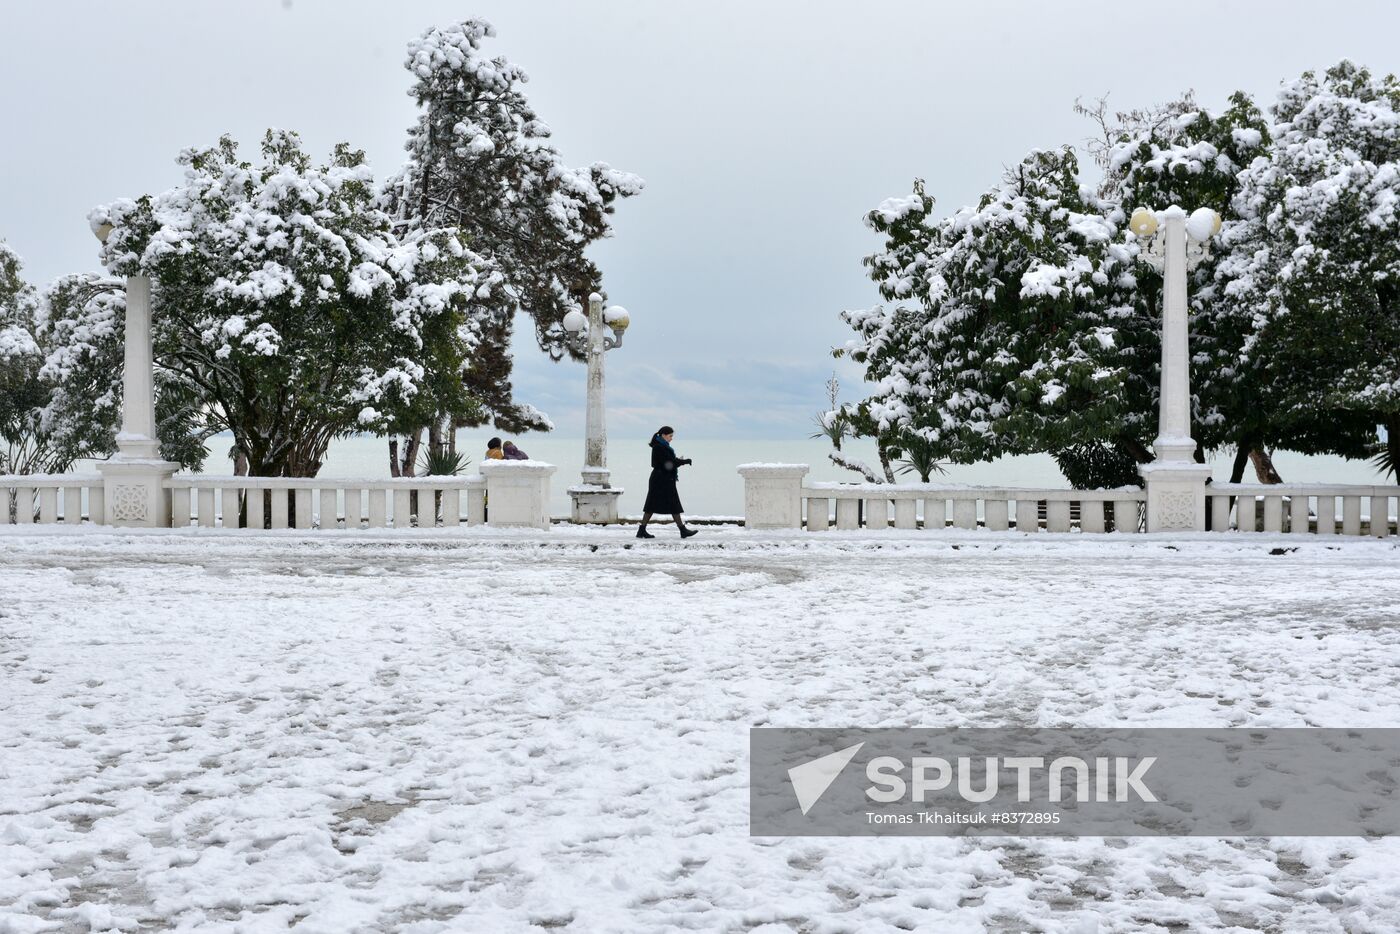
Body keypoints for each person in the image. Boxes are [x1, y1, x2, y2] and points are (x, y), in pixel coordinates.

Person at [639, 426, 697, 539]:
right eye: (670, 436)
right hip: (661, 480)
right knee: (656, 504)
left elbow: (669, 463)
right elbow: (668, 464)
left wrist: (679, 461)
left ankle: (642, 530)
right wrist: (683, 461)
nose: (671, 438)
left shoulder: (662, 446)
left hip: (664, 478)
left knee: (669, 504)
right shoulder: (659, 447)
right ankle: (682, 530)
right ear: (664, 435)